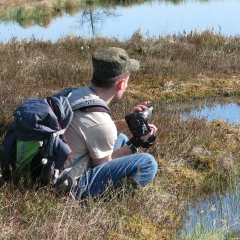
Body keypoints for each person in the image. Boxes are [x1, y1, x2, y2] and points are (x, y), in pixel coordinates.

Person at [63, 47, 158, 200]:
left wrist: (129, 122)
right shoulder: (100, 122)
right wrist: (136, 143)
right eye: (128, 81)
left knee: (120, 139)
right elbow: (101, 165)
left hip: (55, 169)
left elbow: (95, 129)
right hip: (70, 186)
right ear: (121, 84)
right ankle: (106, 201)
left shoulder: (76, 94)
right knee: (148, 163)